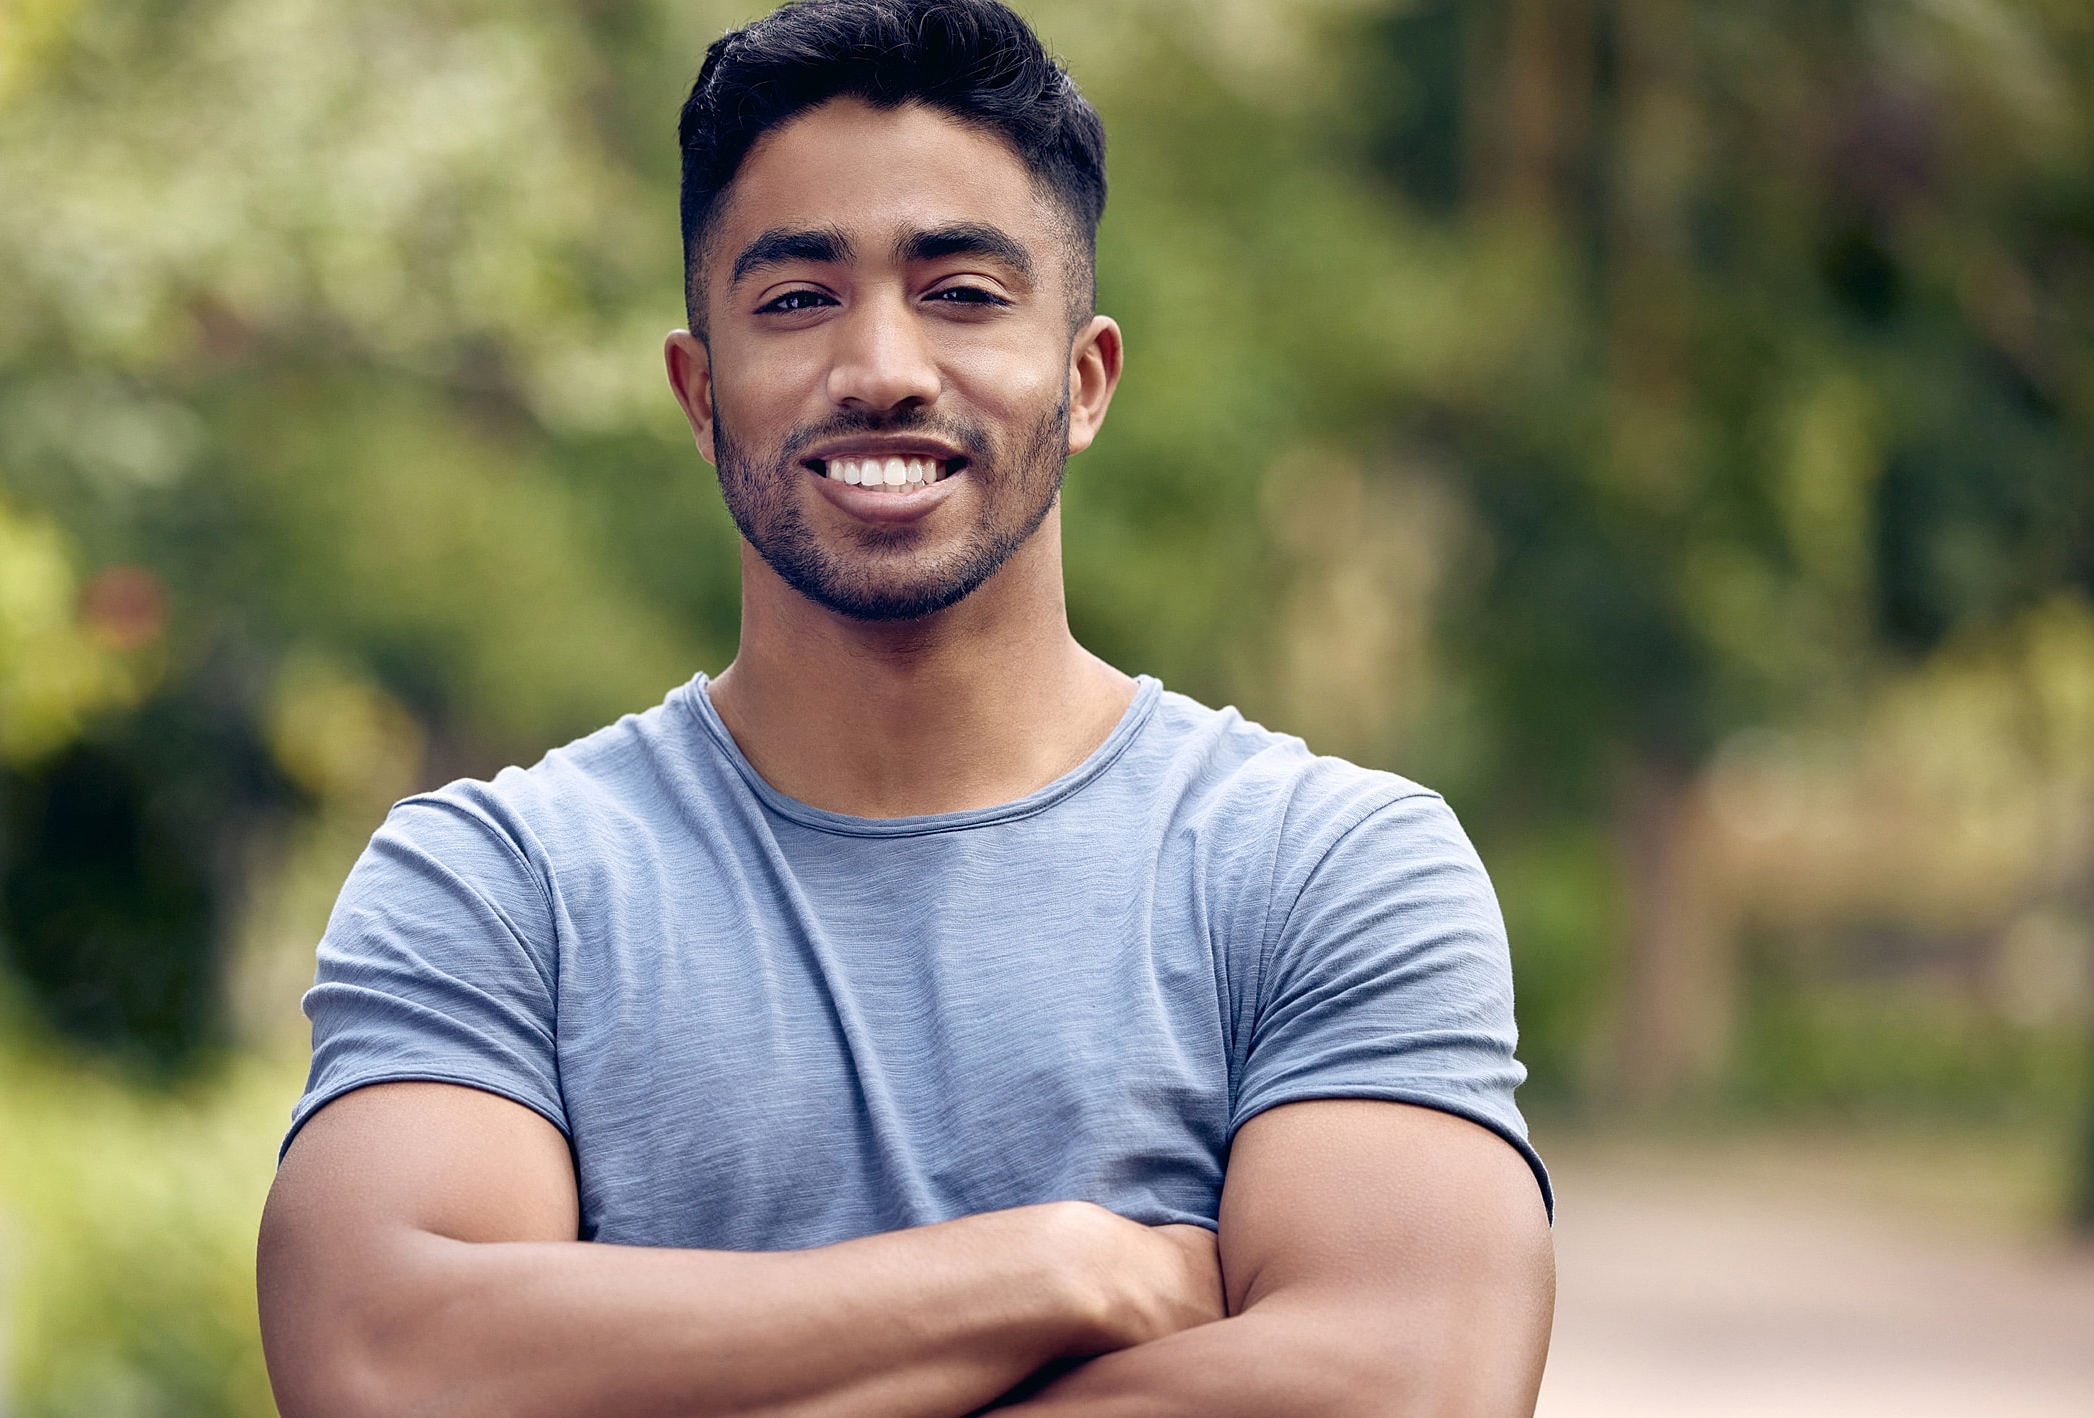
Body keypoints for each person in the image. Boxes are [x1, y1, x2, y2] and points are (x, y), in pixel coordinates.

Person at [256, 2, 1555, 1412]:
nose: (881, 367)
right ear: (700, 393)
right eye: (798, 300)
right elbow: (382, 1364)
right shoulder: (502, 889)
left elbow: (1405, 1383)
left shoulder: (1323, 869)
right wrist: (1059, 1270)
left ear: (1085, 377)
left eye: (963, 293)